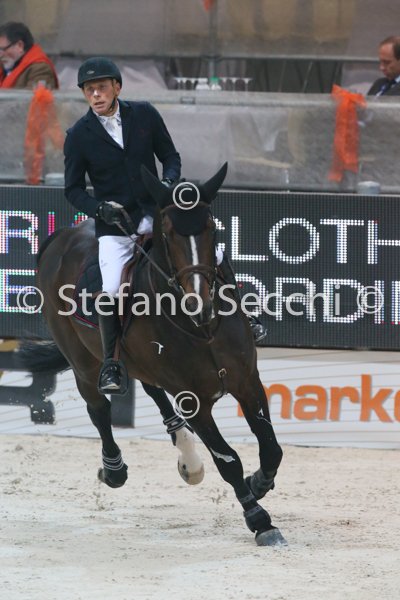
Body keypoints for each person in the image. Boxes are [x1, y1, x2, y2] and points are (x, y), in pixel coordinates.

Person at [64, 57, 266, 394]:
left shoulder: (145, 115)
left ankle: (247, 316)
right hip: (116, 226)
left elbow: (170, 157)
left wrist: (168, 185)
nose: (95, 94)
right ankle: (112, 363)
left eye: (101, 87)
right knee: (111, 288)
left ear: (117, 87)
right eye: (89, 90)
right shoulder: (78, 136)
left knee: (212, 254)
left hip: (156, 213)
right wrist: (99, 209)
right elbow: (72, 190)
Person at [0, 21, 58, 89]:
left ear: (20, 45)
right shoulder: (6, 64)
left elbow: (36, 95)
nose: (0, 55)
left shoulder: (40, 70)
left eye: (2, 49)